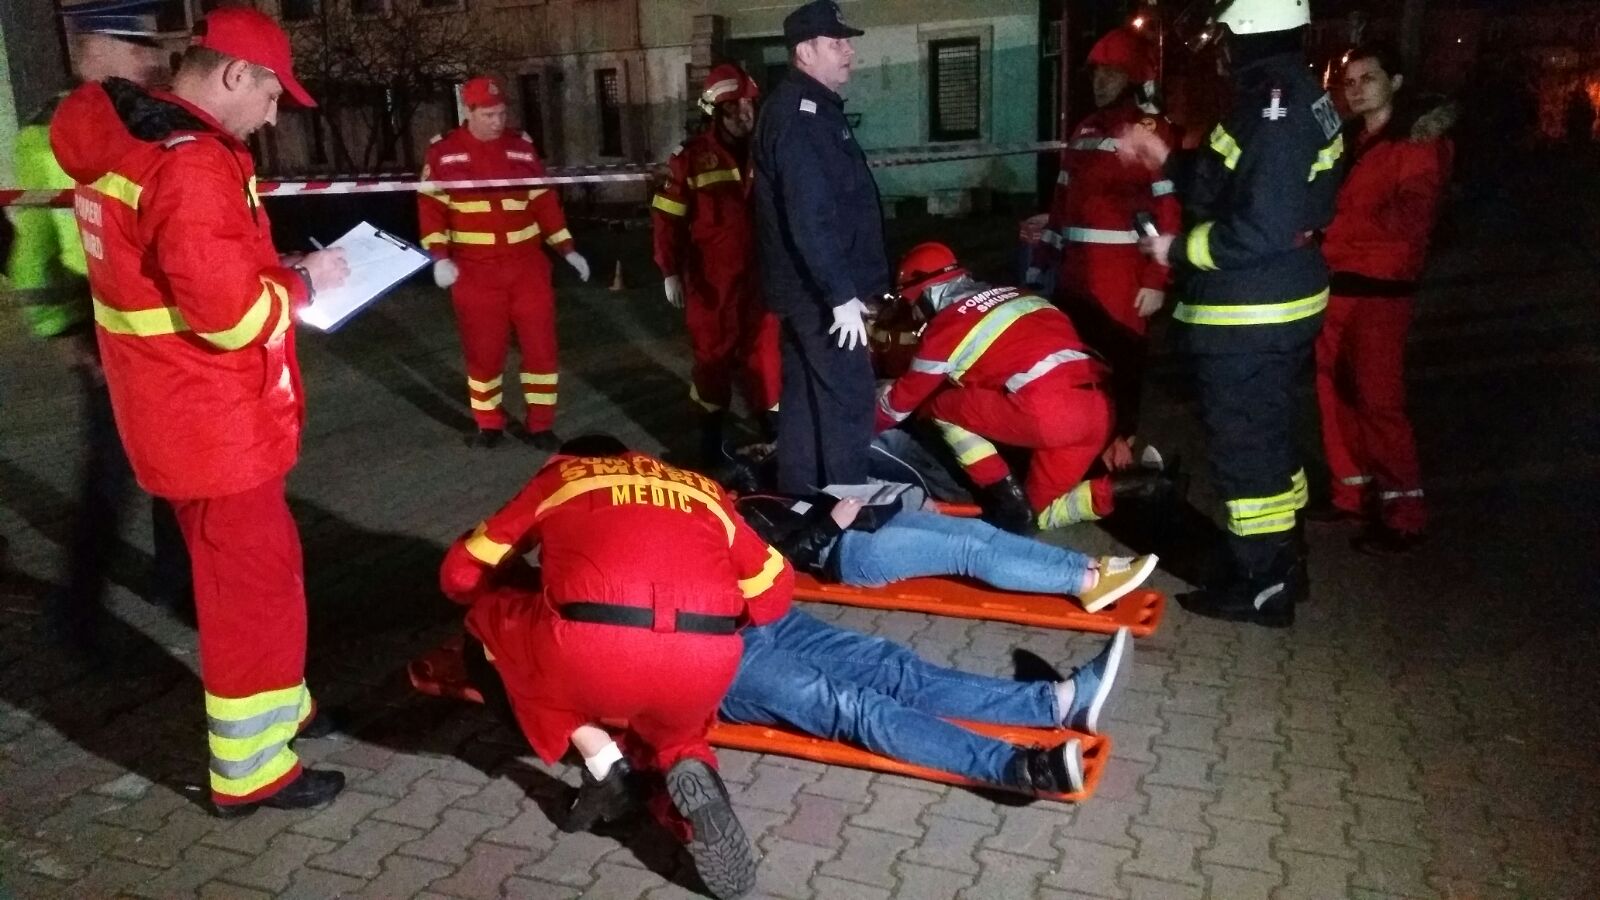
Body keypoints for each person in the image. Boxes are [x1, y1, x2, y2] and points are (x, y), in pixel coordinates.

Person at [51, 6, 351, 814]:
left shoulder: (129, 141)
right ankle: (254, 771)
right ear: (234, 74)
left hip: (177, 413)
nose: (274, 115)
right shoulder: (190, 163)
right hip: (217, 423)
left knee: (254, 577)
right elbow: (229, 315)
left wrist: (271, 266)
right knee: (251, 596)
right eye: (273, 96)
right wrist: (306, 282)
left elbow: (184, 272)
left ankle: (286, 708)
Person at [439, 435, 792, 900]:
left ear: (567, 459)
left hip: (590, 651)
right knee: (676, 738)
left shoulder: (561, 478)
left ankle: (601, 757)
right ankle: (689, 774)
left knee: (488, 622)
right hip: (703, 659)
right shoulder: (703, 489)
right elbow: (774, 593)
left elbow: (460, 574)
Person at [1123, 0, 1345, 627]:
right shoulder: (1289, 94)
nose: (1218, 45)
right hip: (1275, 302)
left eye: (1223, 33)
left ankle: (1262, 583)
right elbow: (1231, 179)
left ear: (1247, 30)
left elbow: (1260, 226)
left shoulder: (1275, 106)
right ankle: (1281, 561)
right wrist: (1169, 160)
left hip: (1252, 309)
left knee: (1246, 448)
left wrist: (1175, 250)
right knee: (1270, 438)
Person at [5, 0, 192, 654]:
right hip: (100, 326)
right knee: (110, 477)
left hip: (162, 323)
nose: (149, 59)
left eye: (150, 48)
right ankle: (78, 615)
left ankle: (177, 583)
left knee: (178, 464)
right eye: (133, 46)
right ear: (90, 51)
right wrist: (62, 331)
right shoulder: (46, 134)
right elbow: (34, 250)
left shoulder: (150, 119)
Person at [875, 243, 1172, 535]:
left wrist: (859, 431)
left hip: (1048, 413)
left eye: (913, 304)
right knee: (1034, 516)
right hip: (1100, 408)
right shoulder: (1020, 295)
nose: (915, 314)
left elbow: (898, 406)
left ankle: (1002, 489)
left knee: (939, 407)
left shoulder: (946, 326)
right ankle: (1133, 486)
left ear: (926, 294)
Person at [725, 613, 1133, 797]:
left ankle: (1059, 705)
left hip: (752, 613)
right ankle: (1019, 768)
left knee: (892, 668)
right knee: (852, 705)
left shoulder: (691, 490)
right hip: (706, 652)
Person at [1314, 45, 1454, 555]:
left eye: (1368, 78)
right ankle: (1350, 493)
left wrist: (1334, 227)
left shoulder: (1416, 144)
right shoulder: (1352, 141)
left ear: (1394, 82)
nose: (1356, 89)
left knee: (1378, 401)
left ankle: (1405, 514)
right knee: (1333, 392)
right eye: (1349, 81)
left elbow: (1411, 220)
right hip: (1339, 283)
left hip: (1381, 290)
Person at [1027, 25, 1181, 467]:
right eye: (1096, 74)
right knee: (1079, 368)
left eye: (1110, 74)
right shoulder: (1083, 129)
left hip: (1122, 281)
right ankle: (1086, 455)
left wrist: (1156, 280)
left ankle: (1122, 460)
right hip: (1076, 280)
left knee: (1122, 367)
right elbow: (1062, 203)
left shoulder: (1149, 129)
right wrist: (1041, 263)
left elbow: (1168, 209)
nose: (1099, 82)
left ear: (1132, 77)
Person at [752, 0, 889, 493]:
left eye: (846, 42)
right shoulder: (800, 116)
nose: (848, 51)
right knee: (849, 397)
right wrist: (840, 295)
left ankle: (802, 501)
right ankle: (846, 511)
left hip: (810, 290)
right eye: (836, 43)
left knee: (808, 399)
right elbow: (809, 214)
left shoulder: (812, 109)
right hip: (820, 295)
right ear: (804, 52)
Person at [419, 75, 591, 451]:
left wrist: (567, 249)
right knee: (484, 352)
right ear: (469, 112)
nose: (498, 121)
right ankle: (489, 423)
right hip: (475, 271)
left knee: (541, 348)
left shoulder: (521, 148)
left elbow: (544, 202)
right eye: (489, 115)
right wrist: (439, 258)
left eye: (501, 113)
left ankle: (541, 425)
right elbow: (430, 210)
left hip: (527, 267)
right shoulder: (443, 153)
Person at [652, 64, 782, 465]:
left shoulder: (768, 151)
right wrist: (669, 270)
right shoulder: (691, 159)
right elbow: (667, 219)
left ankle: (774, 429)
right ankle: (710, 437)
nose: (745, 115)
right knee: (713, 356)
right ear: (715, 112)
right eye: (734, 108)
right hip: (711, 281)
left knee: (765, 351)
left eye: (749, 106)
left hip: (762, 275)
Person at [735, 491, 1157, 613]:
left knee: (977, 531)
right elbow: (779, 560)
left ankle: (1086, 564)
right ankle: (1082, 582)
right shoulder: (730, 529)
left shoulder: (737, 501)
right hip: (850, 552)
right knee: (967, 552)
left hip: (864, 523)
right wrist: (832, 524)